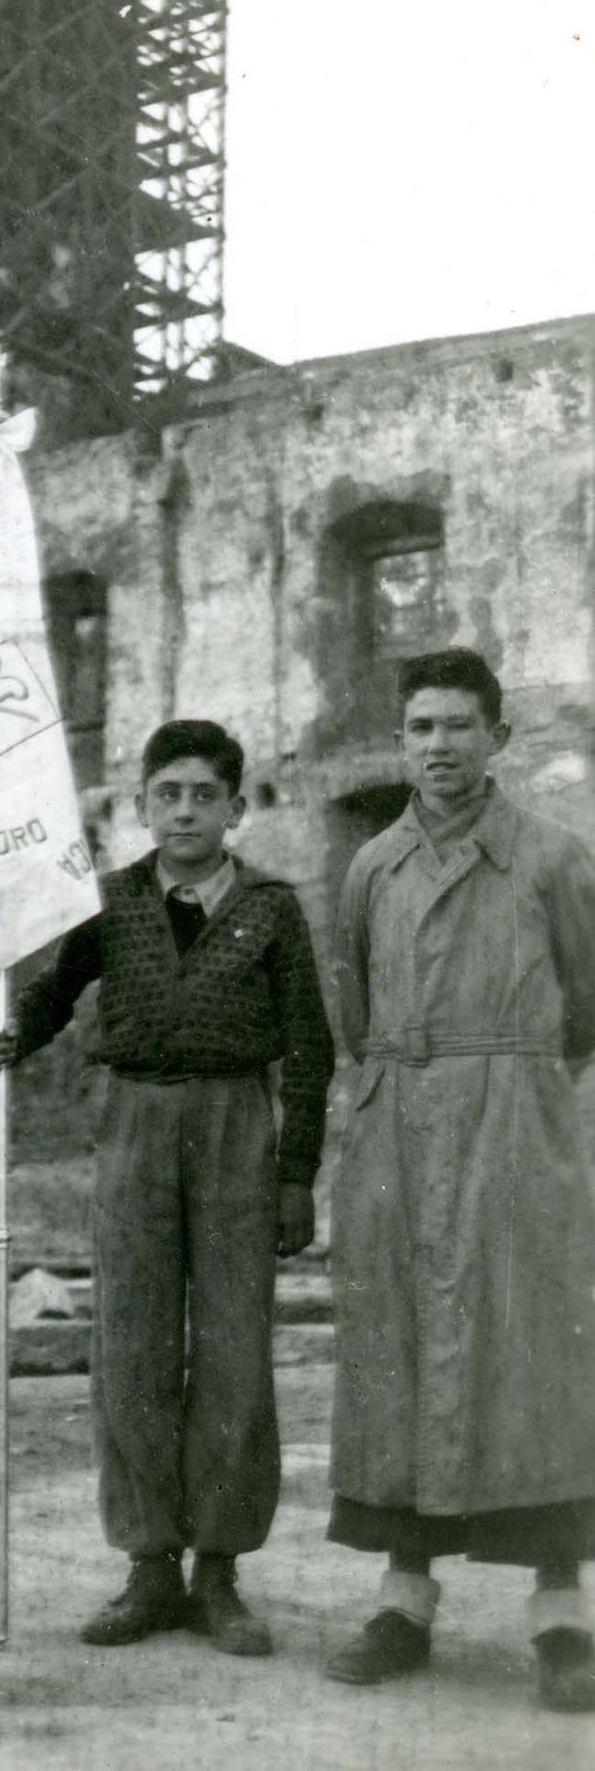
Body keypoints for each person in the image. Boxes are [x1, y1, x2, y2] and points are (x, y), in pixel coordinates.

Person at [0, 719, 335, 1654]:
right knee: (130, 1341)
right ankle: (148, 1564)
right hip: (133, 1124)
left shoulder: (272, 908)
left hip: (233, 1128)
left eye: (203, 795)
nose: (184, 811)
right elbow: (58, 990)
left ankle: (219, 1570)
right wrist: (17, 1038)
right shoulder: (113, 901)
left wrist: (296, 1175)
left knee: (231, 1344)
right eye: (166, 795)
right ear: (142, 806)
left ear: (236, 807)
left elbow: (310, 1046)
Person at [326, 647, 595, 1713]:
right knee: (400, 1358)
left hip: (514, 1131)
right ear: (402, 740)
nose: (437, 746)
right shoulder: (369, 867)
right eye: (419, 727)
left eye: (457, 725)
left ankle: (561, 1611)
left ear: (497, 736)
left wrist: (511, 1084)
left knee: (533, 1353)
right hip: (399, 1133)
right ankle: (404, 1598)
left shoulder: (550, 856)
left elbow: (588, 1004)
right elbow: (354, 1002)